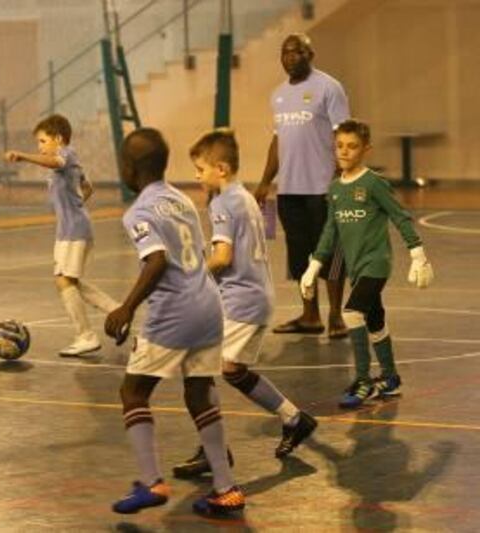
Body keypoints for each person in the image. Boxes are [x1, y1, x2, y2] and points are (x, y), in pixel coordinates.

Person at [104, 128, 243, 517]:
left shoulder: (139, 211)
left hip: (175, 312)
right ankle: (226, 487)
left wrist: (126, 308)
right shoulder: (181, 199)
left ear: (129, 167)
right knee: (199, 393)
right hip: (209, 306)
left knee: (133, 393)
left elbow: (157, 260)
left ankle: (151, 482)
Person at [173, 129, 318, 479]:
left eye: (200, 168)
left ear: (220, 169)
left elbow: (223, 257)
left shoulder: (224, 202)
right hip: (256, 296)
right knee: (232, 370)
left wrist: (189, 278)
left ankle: (213, 449)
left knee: (197, 368)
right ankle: (295, 419)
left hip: (240, 299)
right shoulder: (246, 196)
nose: (196, 175)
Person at [301, 119, 434, 408]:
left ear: (366, 149)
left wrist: (417, 253)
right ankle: (390, 377)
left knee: (351, 313)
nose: (345, 152)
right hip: (356, 267)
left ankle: (363, 381)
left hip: (376, 264)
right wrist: (313, 266)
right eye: (339, 146)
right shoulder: (335, 189)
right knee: (375, 321)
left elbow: (399, 216)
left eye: (352, 147)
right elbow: (330, 231)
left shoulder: (374, 184)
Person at [254, 33, 350, 339]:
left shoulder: (329, 88)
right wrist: (265, 182)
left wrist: (342, 179)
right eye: (285, 53)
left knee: (331, 254)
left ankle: (336, 316)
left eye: (296, 52)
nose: (290, 58)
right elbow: (278, 140)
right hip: (290, 191)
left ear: (310, 54)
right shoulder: (278, 95)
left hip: (323, 189)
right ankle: (310, 316)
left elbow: (343, 137)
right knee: (300, 256)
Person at [4, 114, 118, 357]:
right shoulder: (68, 162)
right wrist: (76, 204)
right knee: (67, 280)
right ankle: (117, 311)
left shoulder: (67, 154)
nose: (40, 147)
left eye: (43, 141)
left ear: (59, 139)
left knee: (65, 280)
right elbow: (88, 187)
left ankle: (86, 336)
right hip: (67, 229)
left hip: (75, 229)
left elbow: (56, 163)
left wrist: (23, 156)